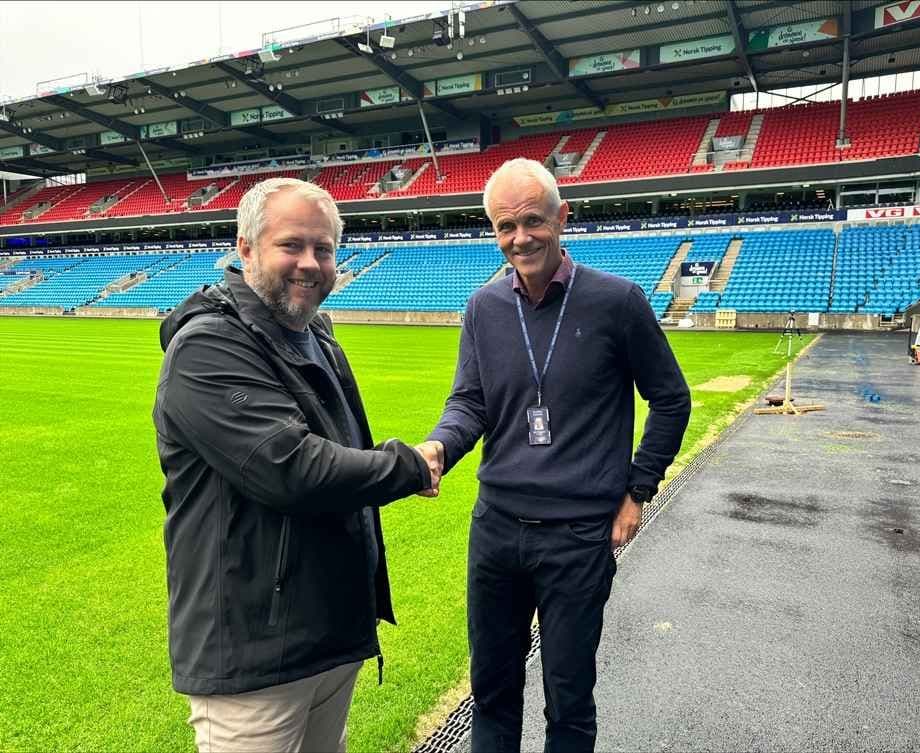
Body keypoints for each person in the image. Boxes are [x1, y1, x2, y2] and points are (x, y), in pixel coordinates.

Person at [153, 177, 442, 753]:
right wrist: (408, 466)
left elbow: (339, 451)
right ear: (246, 247)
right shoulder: (205, 348)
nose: (310, 263)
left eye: (325, 248)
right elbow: (293, 469)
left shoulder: (314, 333)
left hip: (328, 633)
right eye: (292, 245)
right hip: (254, 653)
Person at [425, 158, 691, 753]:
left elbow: (671, 399)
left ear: (562, 217)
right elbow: (470, 402)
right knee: (492, 692)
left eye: (532, 221)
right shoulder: (483, 308)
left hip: (578, 535)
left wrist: (637, 491)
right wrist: (439, 446)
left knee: (568, 699)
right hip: (495, 531)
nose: (519, 239)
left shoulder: (616, 302)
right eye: (503, 226)